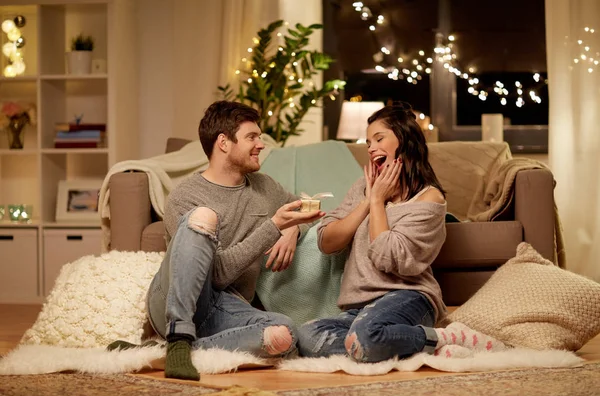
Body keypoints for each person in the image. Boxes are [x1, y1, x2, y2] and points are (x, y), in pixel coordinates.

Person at [109, 100, 324, 380]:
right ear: (223, 142)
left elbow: (305, 208)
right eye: (252, 137)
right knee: (204, 217)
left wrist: (291, 229)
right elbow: (216, 275)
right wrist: (274, 226)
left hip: (226, 307)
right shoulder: (186, 196)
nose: (260, 144)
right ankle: (178, 335)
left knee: (283, 335)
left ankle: (162, 352)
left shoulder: (265, 187)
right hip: (177, 301)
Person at [296, 102, 505, 362]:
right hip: (360, 307)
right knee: (307, 336)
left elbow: (386, 256)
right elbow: (326, 241)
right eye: (369, 141)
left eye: (379, 138)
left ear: (403, 139)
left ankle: (443, 338)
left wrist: (377, 202)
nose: (370, 147)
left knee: (366, 337)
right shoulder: (363, 187)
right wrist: (366, 201)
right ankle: (408, 344)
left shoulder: (429, 200)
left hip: (408, 298)